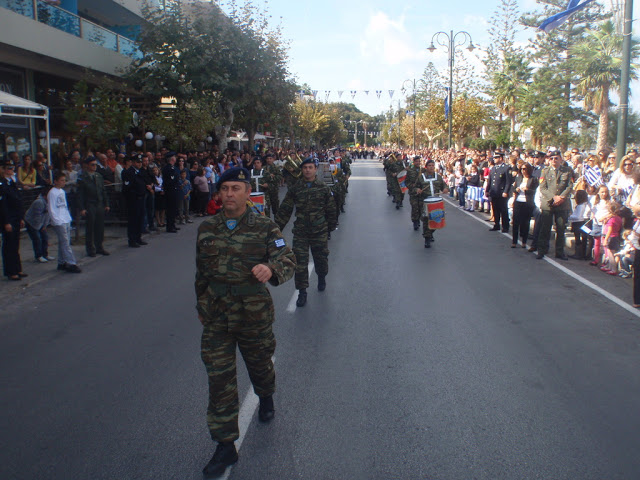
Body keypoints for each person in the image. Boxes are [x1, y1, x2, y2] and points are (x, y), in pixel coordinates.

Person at [195, 167, 296, 478]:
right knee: (220, 382)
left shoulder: (264, 227)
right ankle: (225, 446)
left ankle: (265, 394)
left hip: (253, 316)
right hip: (217, 318)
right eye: (224, 189)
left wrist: (270, 268)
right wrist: (201, 305)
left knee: (260, 366)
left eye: (235, 188)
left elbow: (287, 259)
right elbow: (201, 273)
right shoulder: (207, 228)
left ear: (246, 191)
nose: (229, 194)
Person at [275, 158, 337, 307]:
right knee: (300, 263)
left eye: (310, 167)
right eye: (305, 168)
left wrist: (329, 227)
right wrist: (275, 230)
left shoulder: (323, 188)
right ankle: (302, 292)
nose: (307, 170)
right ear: (302, 170)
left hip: (319, 231)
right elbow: (285, 210)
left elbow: (331, 209)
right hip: (301, 232)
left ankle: (321, 276)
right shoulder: (296, 188)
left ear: (316, 169)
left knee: (321, 259)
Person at [536, 150, 574, 260]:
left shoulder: (567, 170)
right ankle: (542, 250)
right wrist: (553, 197)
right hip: (548, 203)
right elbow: (543, 188)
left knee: (561, 229)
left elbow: (569, 186)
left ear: (561, 159)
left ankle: (560, 252)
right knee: (545, 228)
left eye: (556, 158)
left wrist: (561, 197)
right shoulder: (545, 171)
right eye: (551, 158)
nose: (554, 160)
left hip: (562, 204)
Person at [47, 172, 81, 273]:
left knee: (64, 242)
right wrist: (56, 220)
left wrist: (67, 218)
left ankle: (61, 262)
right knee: (65, 242)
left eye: (64, 180)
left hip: (65, 218)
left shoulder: (61, 191)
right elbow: (51, 208)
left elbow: (64, 206)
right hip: (59, 221)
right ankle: (71, 262)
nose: (63, 182)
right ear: (56, 181)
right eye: (61, 180)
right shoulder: (52, 193)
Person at [77, 157, 110, 257]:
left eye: (96, 164)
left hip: (99, 204)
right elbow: (80, 195)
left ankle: (99, 246)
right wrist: (82, 208)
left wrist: (107, 204)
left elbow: (103, 191)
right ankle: (90, 249)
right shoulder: (83, 178)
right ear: (87, 165)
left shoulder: (98, 176)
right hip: (90, 204)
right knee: (90, 228)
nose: (94, 166)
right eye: (92, 164)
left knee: (100, 227)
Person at [412, 158, 450, 248]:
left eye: (433, 165)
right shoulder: (421, 177)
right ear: (426, 167)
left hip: (436, 202)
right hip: (425, 202)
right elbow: (414, 187)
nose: (431, 167)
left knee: (437, 219)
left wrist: (445, 189)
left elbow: (444, 185)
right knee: (426, 220)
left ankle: (430, 232)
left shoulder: (438, 176)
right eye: (429, 165)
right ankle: (427, 238)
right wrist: (417, 189)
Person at [1, 158, 27, 280]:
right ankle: (11, 271)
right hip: (8, 219)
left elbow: (18, 200)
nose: (12, 170)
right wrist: (6, 222)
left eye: (12, 168)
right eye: (9, 168)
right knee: (9, 246)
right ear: (3, 170)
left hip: (16, 217)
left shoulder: (12, 182)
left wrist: (21, 217)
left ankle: (17, 268)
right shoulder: (2, 184)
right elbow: (3, 205)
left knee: (15, 245)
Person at [122, 154, 148, 248]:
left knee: (140, 219)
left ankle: (138, 237)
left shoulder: (140, 172)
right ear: (133, 162)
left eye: (140, 162)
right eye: (137, 162)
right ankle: (132, 240)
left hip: (141, 199)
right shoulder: (128, 172)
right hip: (133, 200)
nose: (140, 164)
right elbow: (127, 188)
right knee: (133, 220)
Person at [511, 162, 539, 248]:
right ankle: (514, 241)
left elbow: (536, 191)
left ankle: (524, 241)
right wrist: (516, 190)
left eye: (525, 169)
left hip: (527, 203)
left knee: (525, 223)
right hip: (518, 201)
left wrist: (527, 190)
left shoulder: (533, 179)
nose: (523, 171)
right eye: (522, 169)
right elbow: (513, 188)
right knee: (515, 222)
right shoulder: (519, 178)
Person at [24, 187, 53, 263]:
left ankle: (45, 254)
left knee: (45, 237)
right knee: (37, 239)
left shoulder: (48, 202)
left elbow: (48, 214)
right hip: (31, 222)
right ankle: (38, 256)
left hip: (41, 222)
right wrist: (39, 227)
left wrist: (44, 225)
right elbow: (37, 216)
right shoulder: (39, 202)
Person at [486, 151, 511, 232]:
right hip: (494, 192)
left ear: (500, 158)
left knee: (503, 210)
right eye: (494, 158)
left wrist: (506, 191)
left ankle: (505, 227)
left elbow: (508, 181)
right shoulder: (493, 168)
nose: (494, 159)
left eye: (496, 158)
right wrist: (487, 190)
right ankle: (496, 224)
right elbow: (490, 181)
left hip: (501, 192)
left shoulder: (506, 168)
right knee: (495, 209)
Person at [568, 189, 592, 260]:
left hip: (578, 224)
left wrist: (569, 216)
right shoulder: (584, 205)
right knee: (583, 239)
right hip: (582, 223)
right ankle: (582, 254)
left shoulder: (581, 206)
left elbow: (578, 216)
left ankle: (578, 254)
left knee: (578, 239)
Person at [162, 152, 180, 233]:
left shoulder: (174, 168)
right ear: (172, 159)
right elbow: (170, 180)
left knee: (174, 208)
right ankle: (169, 226)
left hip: (175, 190)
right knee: (170, 209)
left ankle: (172, 224)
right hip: (170, 190)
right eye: (174, 157)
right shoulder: (168, 168)